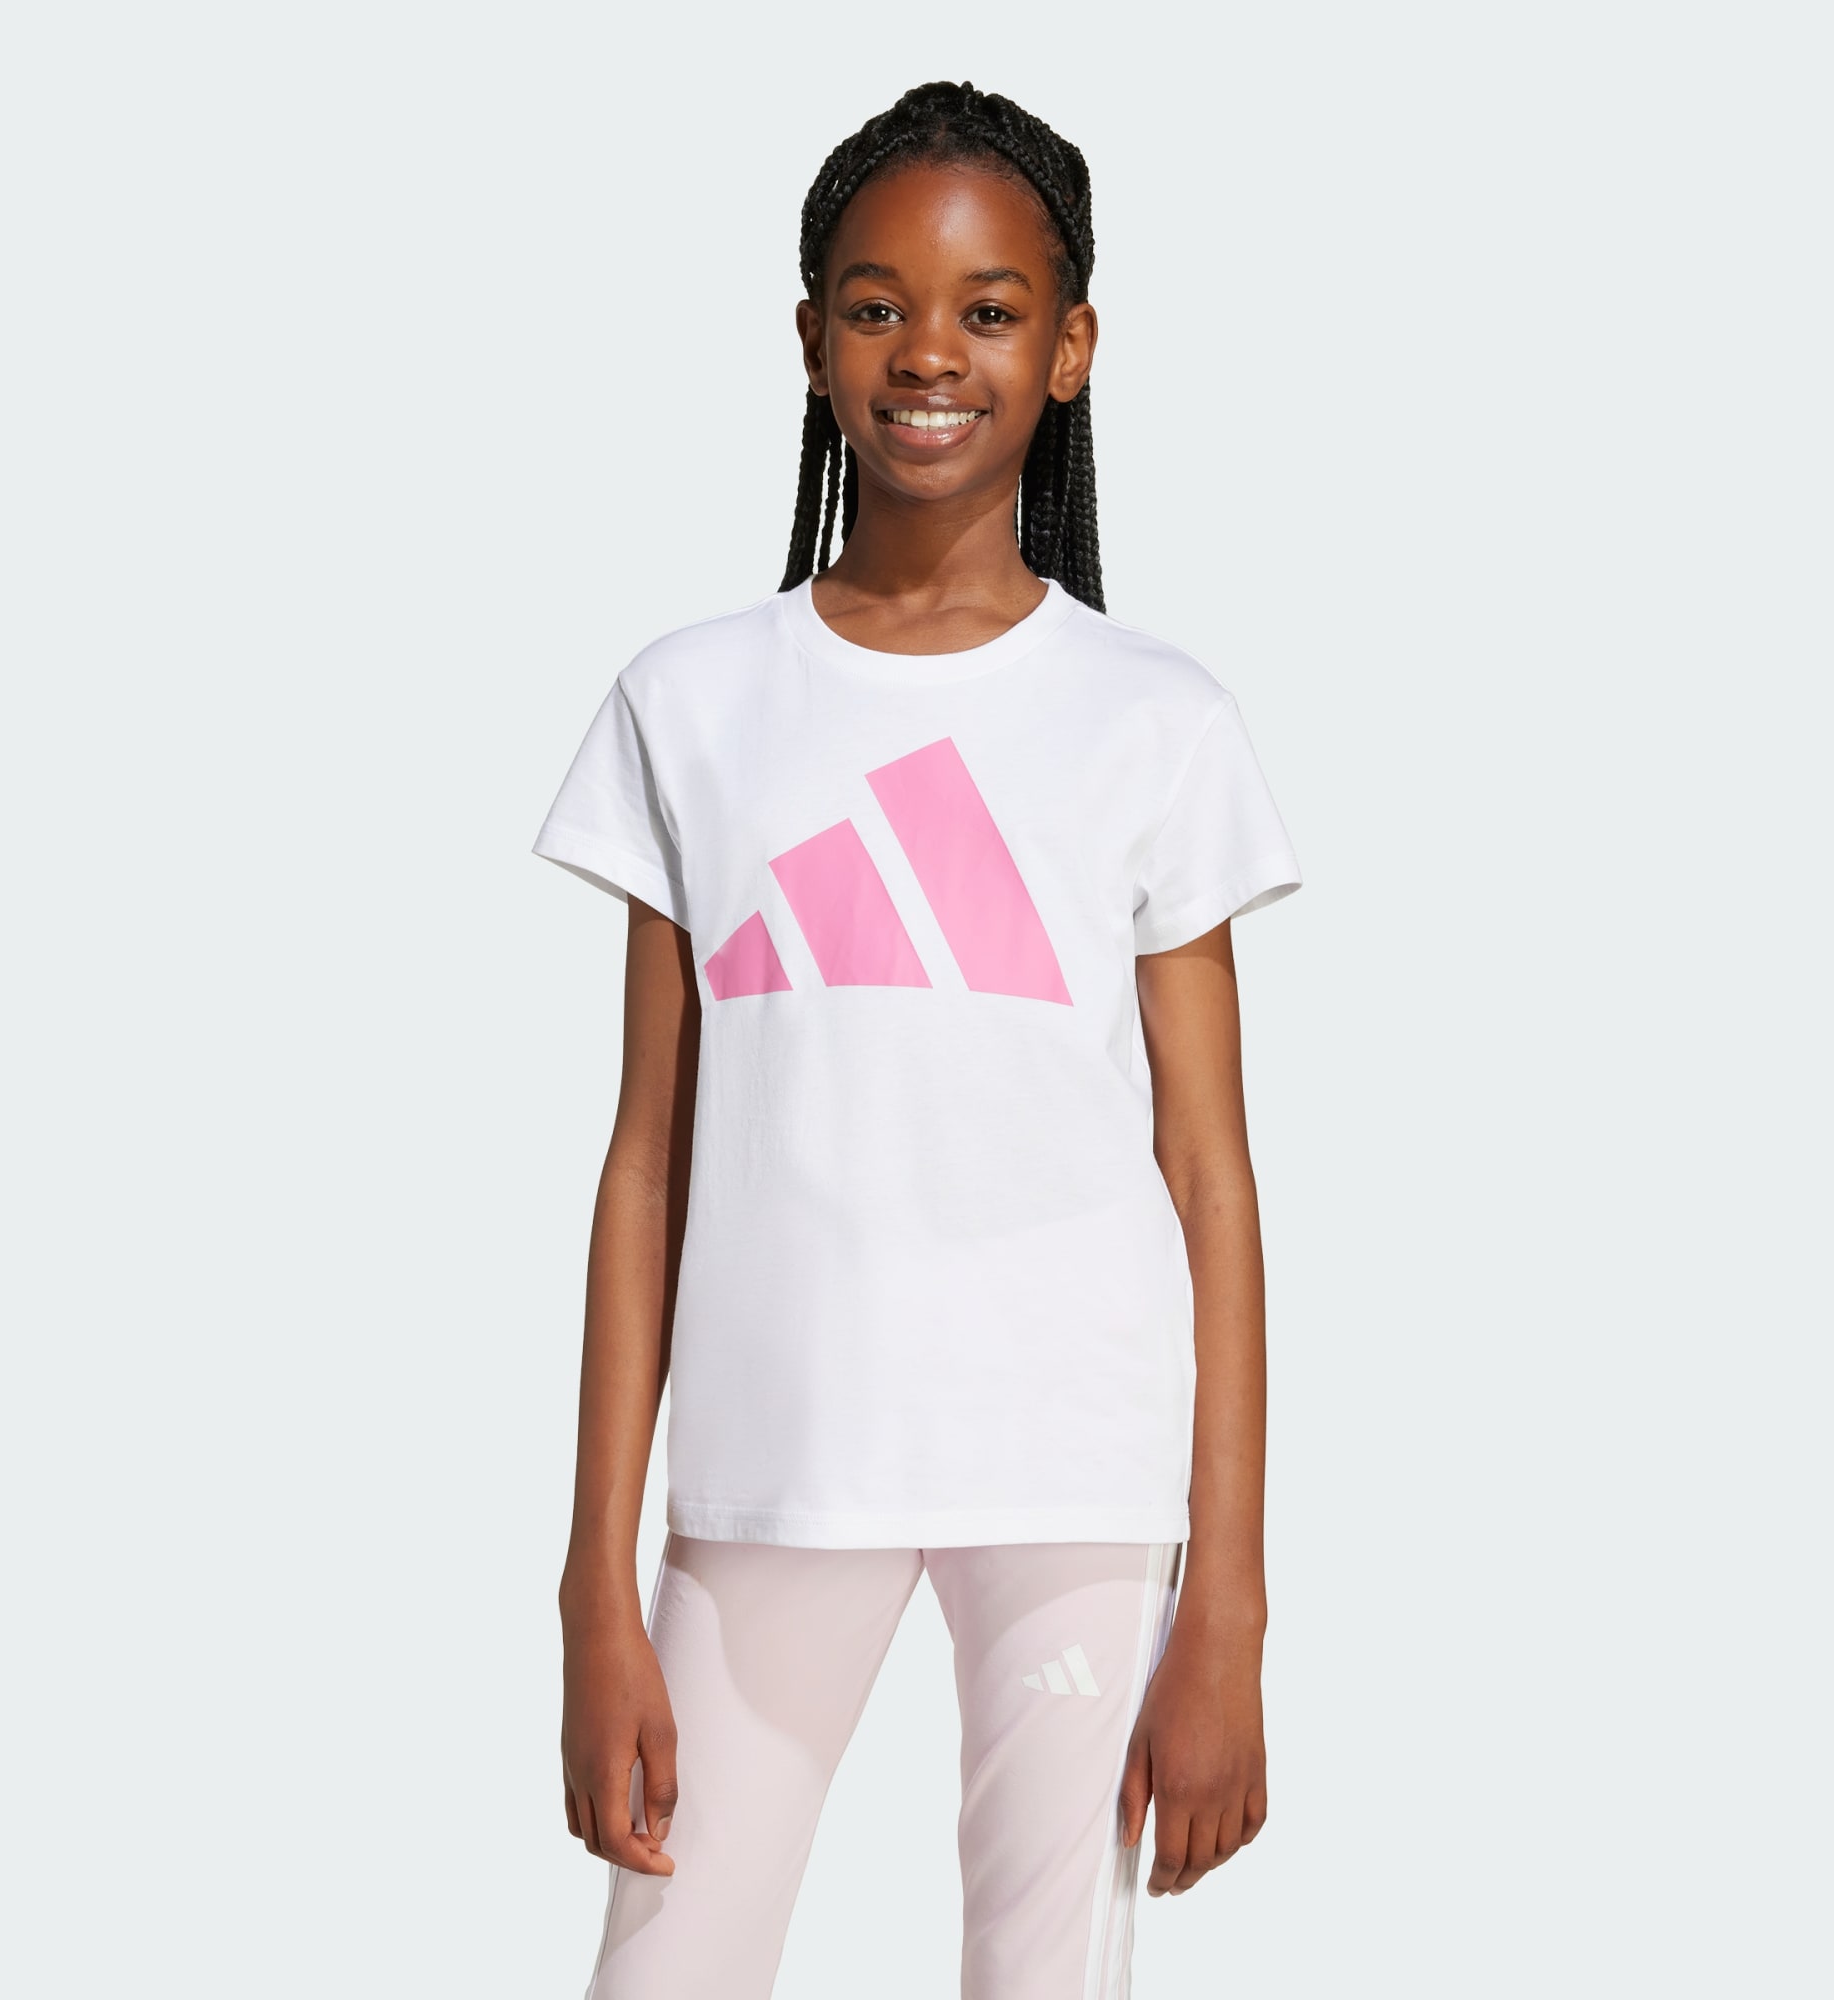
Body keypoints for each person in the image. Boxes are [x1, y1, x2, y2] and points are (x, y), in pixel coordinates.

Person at [533, 80, 1302, 2000]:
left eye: (988, 309)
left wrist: (1228, 1610)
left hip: (1077, 1476)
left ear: (1072, 345)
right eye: (877, 307)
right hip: (771, 1472)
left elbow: (1210, 1179)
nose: (930, 353)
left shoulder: (1154, 719)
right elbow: (646, 1163)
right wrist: (593, 1587)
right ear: (811, 340)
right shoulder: (693, 701)